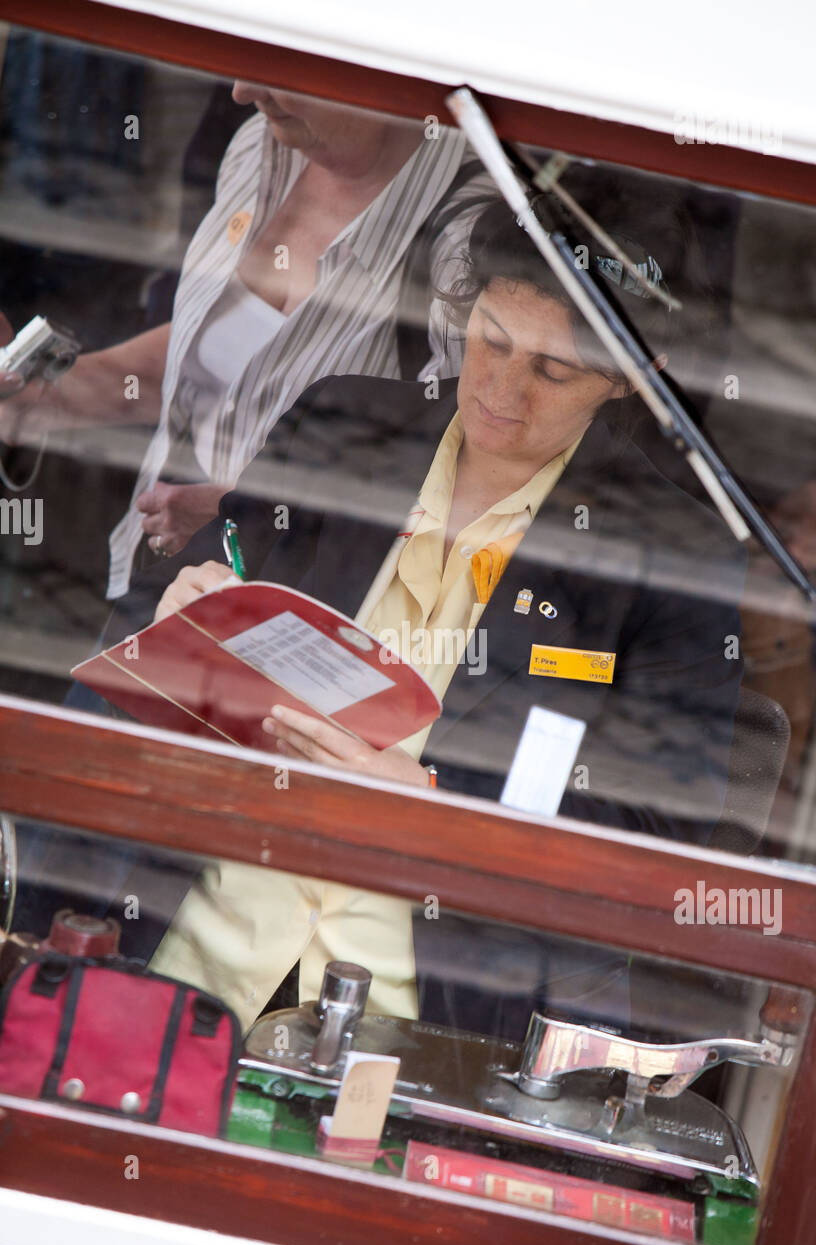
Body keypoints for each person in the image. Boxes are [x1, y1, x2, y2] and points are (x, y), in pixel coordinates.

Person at [138, 199, 745, 1031]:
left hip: (432, 1017)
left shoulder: (675, 556)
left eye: (552, 372)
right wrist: (183, 614)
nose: (498, 388)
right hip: (191, 950)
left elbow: (658, 824)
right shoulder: (344, 424)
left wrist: (436, 805)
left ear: (637, 374)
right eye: (490, 337)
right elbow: (207, 586)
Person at [0, 82, 491, 598]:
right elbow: (220, 360)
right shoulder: (259, 146)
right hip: (161, 574)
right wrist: (46, 398)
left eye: (280, 60)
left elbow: (456, 479)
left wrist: (241, 511)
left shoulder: (470, 232)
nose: (242, 91)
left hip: (290, 606)